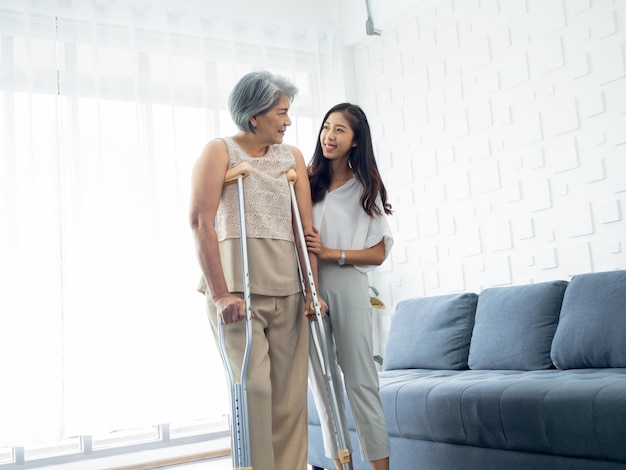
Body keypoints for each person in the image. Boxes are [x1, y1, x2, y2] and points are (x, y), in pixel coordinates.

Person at [189, 70, 325, 470]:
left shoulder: (292, 157)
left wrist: (312, 290)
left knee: (289, 399)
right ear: (255, 115)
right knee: (254, 391)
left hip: (288, 288)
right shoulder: (220, 151)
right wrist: (220, 295)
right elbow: (200, 222)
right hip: (238, 289)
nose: (287, 121)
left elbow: (305, 229)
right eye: (281, 112)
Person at [306, 103, 393, 470]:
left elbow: (378, 253)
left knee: (361, 383)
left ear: (356, 141)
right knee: (325, 388)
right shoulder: (307, 182)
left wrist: (332, 252)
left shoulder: (366, 188)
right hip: (310, 288)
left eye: (340, 129)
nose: (330, 135)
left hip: (349, 284)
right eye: (327, 127)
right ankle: (342, 466)